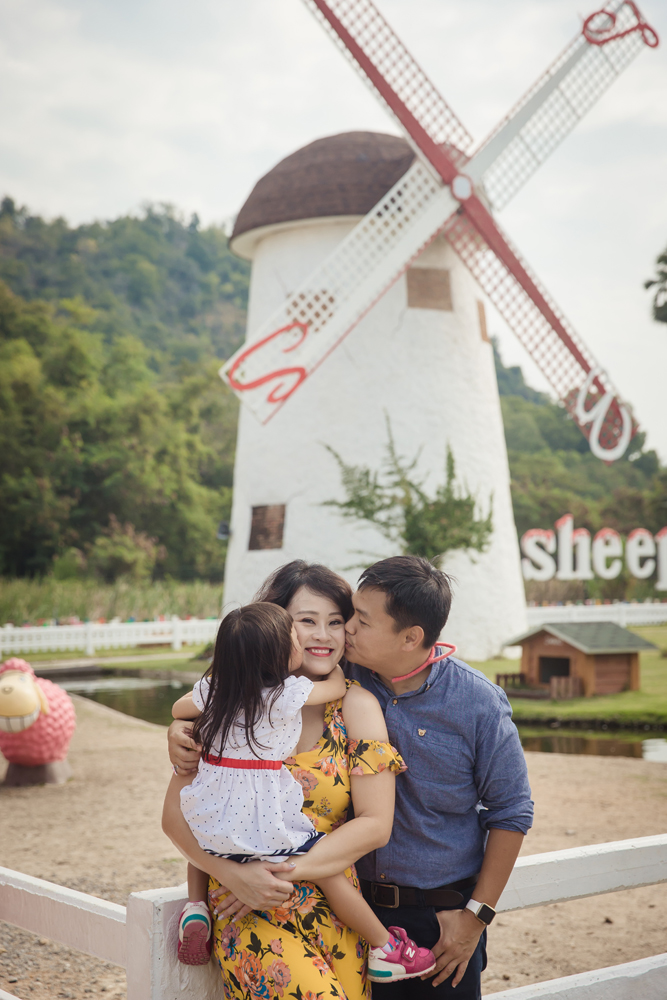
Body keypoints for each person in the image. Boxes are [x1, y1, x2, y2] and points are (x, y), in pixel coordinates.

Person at [169, 556, 533, 999]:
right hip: (339, 906)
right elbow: (185, 804)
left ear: (410, 638)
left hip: (420, 915)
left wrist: (477, 915)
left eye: (348, 621)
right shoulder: (260, 699)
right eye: (308, 621)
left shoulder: (449, 700)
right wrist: (182, 730)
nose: (335, 634)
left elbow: (510, 812)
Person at [162, 561, 422, 998]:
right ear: (276, 626)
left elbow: (375, 825)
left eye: (336, 622)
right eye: (306, 621)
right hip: (250, 913)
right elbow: (176, 818)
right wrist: (234, 875)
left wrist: (272, 876)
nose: (323, 635)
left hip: (337, 911)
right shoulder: (229, 708)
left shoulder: (354, 707)